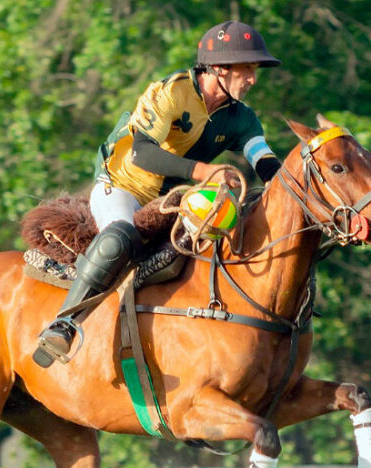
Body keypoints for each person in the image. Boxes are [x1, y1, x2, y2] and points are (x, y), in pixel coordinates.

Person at [32, 20, 284, 368]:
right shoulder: (169, 92)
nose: (253, 79)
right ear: (220, 68)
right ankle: (63, 325)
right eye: (248, 69)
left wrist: (291, 187)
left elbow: (264, 159)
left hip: (171, 202)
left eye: (255, 70)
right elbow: (142, 153)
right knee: (121, 239)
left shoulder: (243, 118)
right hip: (122, 187)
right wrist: (204, 171)